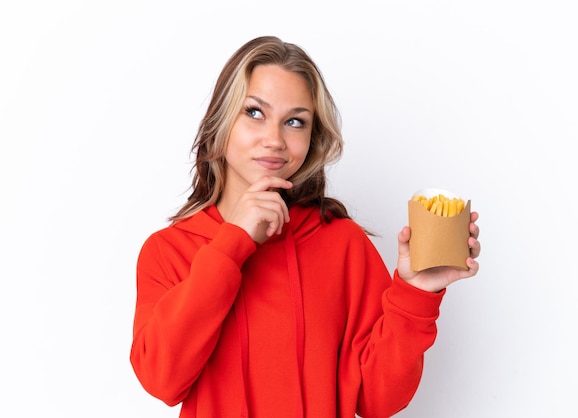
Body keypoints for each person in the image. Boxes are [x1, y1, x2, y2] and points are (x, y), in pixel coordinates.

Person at [129, 35, 481, 418]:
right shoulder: (169, 250)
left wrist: (417, 292)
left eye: (295, 121)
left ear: (311, 138)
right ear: (221, 121)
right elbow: (161, 379)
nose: (275, 140)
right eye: (255, 112)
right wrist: (232, 242)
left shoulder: (342, 242)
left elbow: (377, 400)